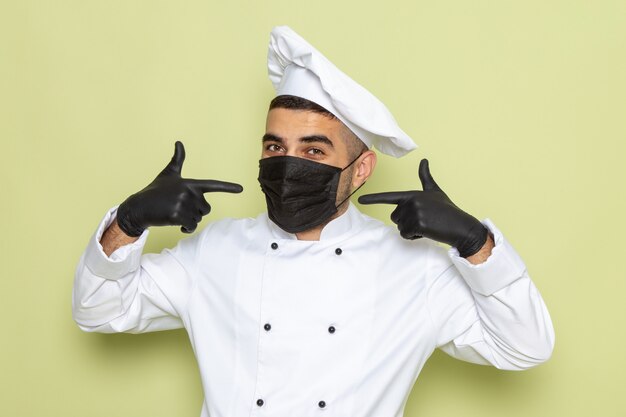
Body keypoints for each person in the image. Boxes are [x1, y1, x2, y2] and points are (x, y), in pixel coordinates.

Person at [73, 26, 554, 417]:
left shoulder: (414, 269)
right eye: (274, 147)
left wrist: (475, 242)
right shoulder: (213, 252)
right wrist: (130, 220)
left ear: (361, 169)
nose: (287, 163)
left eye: (314, 150)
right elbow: (97, 311)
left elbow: (525, 347)